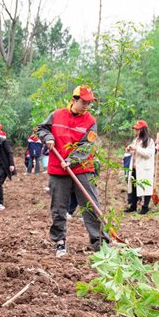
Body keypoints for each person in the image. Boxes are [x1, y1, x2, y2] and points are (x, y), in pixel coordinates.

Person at [37, 85, 109, 257]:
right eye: (83, 102)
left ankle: (100, 243)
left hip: (83, 168)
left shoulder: (91, 121)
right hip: (58, 169)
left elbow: (86, 145)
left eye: (89, 103)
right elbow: (41, 128)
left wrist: (71, 160)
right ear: (74, 100)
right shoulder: (56, 115)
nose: (86, 106)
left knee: (90, 205)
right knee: (58, 207)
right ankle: (60, 242)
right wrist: (48, 137)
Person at [124, 120, 155, 215]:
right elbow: (134, 153)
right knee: (134, 187)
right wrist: (129, 149)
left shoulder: (149, 141)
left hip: (144, 169)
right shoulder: (136, 140)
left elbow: (148, 154)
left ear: (143, 130)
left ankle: (145, 207)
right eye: (136, 130)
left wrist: (137, 148)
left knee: (146, 187)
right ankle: (133, 206)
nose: (136, 131)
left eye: (138, 130)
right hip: (135, 168)